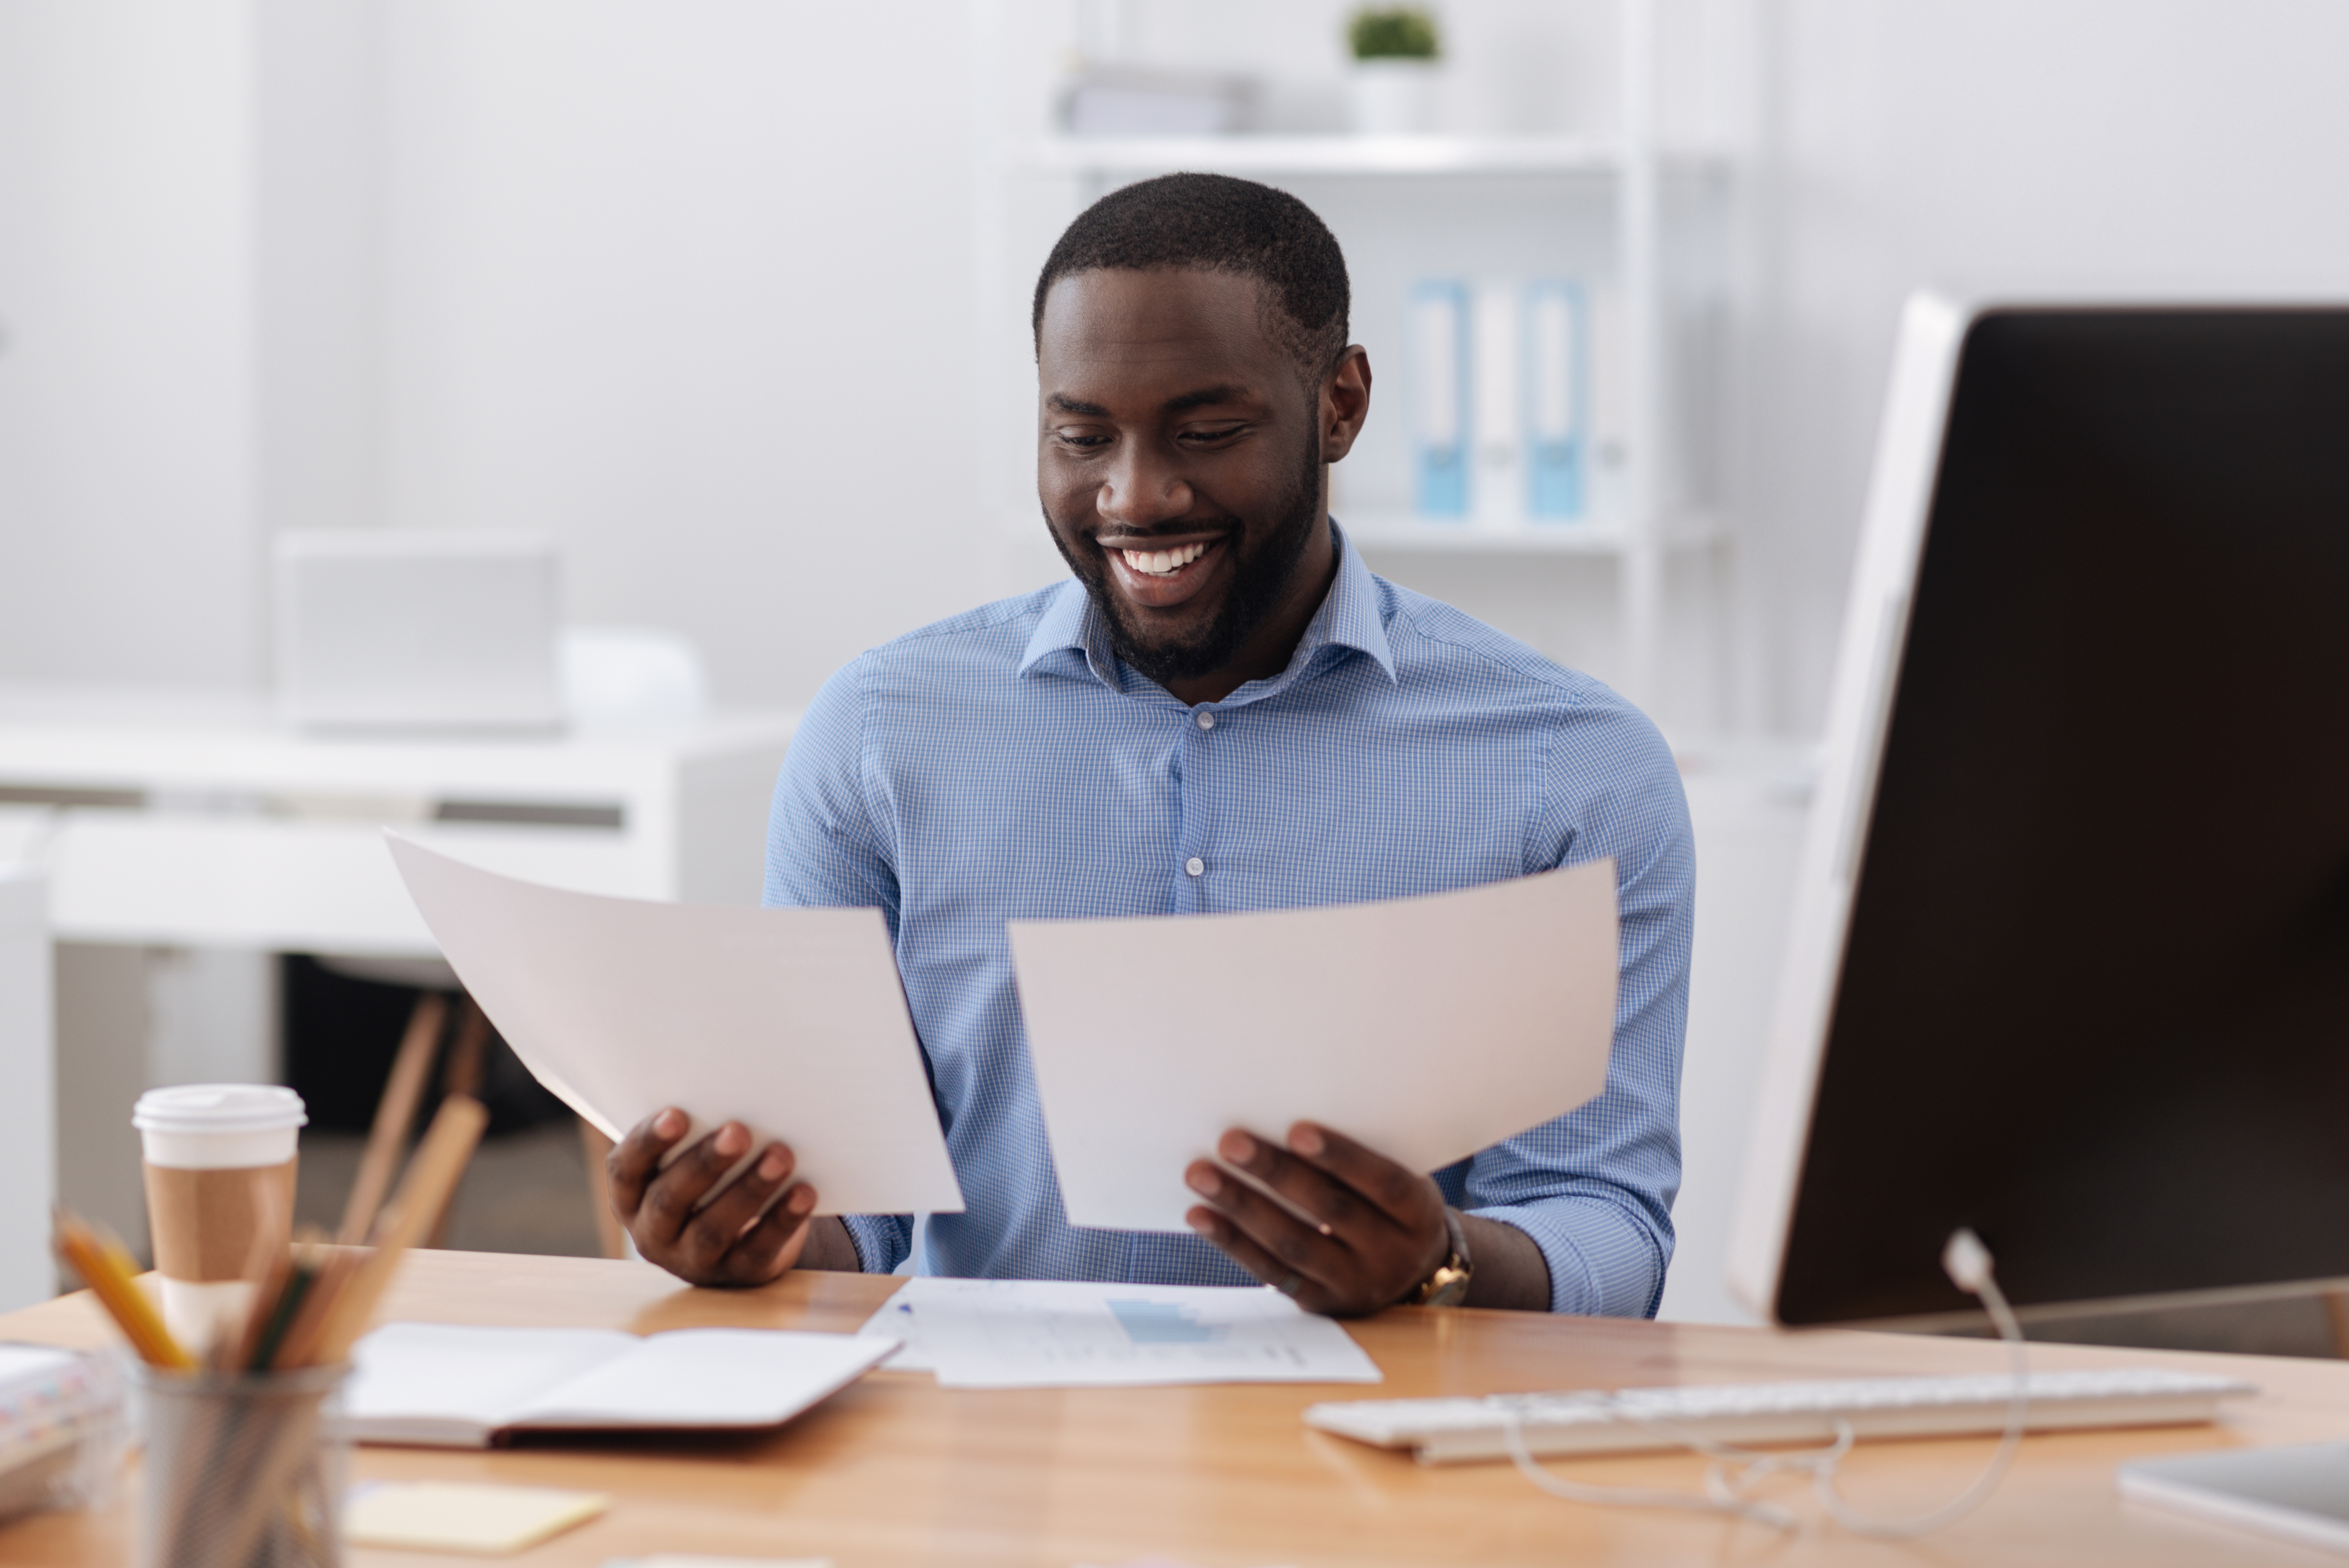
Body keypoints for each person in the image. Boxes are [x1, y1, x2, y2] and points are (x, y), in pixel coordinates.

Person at [606, 173, 1693, 1317]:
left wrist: (1441, 1261)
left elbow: (1604, 1221)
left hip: (1382, 1445)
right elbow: (855, 1221)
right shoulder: (879, 739)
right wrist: (749, 1233)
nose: (1136, 496)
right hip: (986, 1451)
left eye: (1208, 433)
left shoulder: (1570, 769)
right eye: (1082, 436)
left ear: (1342, 404)